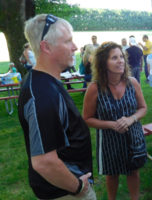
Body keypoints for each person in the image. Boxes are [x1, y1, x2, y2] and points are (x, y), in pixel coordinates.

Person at [18, 14, 96, 199]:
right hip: (64, 192)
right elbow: (44, 162)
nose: (75, 47)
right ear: (46, 47)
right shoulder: (42, 95)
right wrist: (78, 187)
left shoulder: (47, 83)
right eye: (68, 41)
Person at [82, 42, 147, 200]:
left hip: (133, 136)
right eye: (114, 58)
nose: (120, 61)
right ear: (103, 63)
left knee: (133, 171)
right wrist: (111, 124)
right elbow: (87, 118)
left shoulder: (133, 83)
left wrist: (131, 119)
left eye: (121, 57)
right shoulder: (94, 88)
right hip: (109, 140)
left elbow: (143, 108)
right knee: (112, 174)